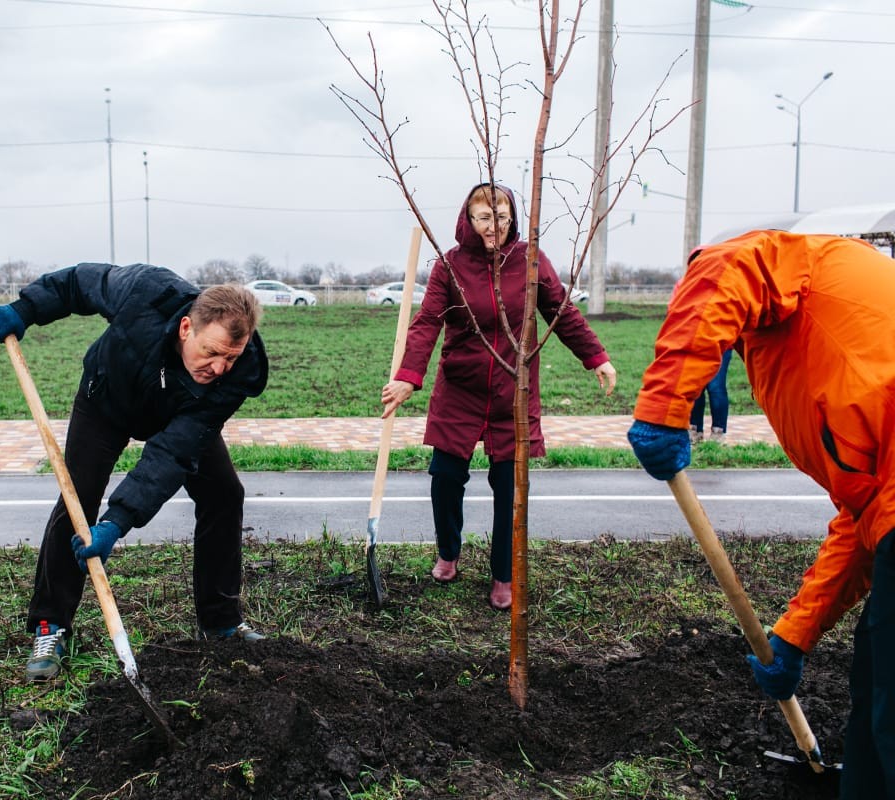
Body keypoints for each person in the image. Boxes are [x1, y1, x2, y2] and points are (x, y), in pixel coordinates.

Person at [627, 230, 895, 798]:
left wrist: (664, 404)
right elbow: (865, 517)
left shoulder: (786, 261)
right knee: (877, 690)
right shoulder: (822, 338)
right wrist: (795, 637)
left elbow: (726, 266)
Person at [0, 262, 269, 681]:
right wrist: (28, 308)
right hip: (107, 400)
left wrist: (119, 520)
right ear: (186, 327)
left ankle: (221, 622)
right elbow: (80, 284)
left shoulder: (240, 372)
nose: (218, 368)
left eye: (230, 357)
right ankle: (51, 625)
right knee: (77, 497)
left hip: (181, 415)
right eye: (211, 353)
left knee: (224, 494)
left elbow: (173, 452)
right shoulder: (146, 292)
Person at [381, 183, 617, 610]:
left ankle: (503, 574)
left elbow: (561, 312)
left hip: (514, 390)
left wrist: (595, 356)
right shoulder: (449, 266)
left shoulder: (530, 261)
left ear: (514, 217)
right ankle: (449, 552)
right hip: (460, 387)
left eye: (502, 217)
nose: (495, 226)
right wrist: (408, 377)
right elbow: (428, 321)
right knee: (446, 477)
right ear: (468, 221)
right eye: (485, 218)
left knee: (509, 487)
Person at [689, 349, 732, 444]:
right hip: (697, 344)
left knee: (716, 387)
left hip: (721, 345)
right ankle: (694, 429)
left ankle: (718, 432)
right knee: (696, 385)